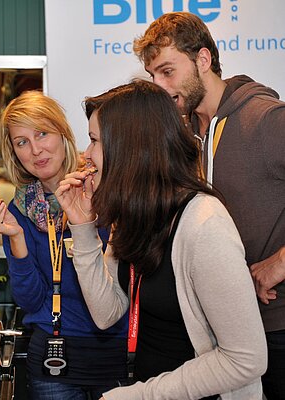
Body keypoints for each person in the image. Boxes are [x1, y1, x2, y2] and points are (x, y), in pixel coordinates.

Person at [55, 80, 267, 399]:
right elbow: (106, 312)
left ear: (129, 147)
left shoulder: (204, 224)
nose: (86, 154)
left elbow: (246, 359)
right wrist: (82, 227)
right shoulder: (134, 215)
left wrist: (140, 395)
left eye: (94, 141)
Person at [133, 12, 285, 399]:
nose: (161, 87)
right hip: (214, 334)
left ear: (203, 59)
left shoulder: (265, 119)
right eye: (153, 76)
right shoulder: (186, 136)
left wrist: (280, 262)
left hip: (276, 328)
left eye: (167, 71)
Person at [0, 90, 128, 400]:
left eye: (42, 134)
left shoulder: (101, 189)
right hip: (53, 361)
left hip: (114, 355)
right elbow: (32, 303)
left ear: (62, 131)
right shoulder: (19, 211)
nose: (36, 150)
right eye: (22, 142)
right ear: (14, 152)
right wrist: (17, 240)